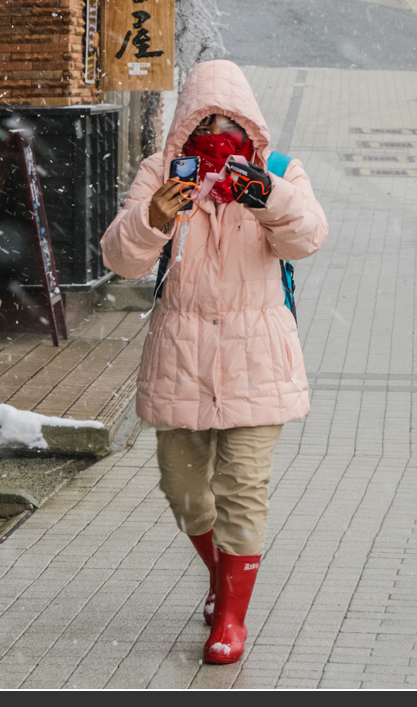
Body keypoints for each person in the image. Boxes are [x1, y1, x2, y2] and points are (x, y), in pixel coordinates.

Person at [100, 60, 328, 666]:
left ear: (250, 127)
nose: (217, 136)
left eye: (229, 124)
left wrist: (265, 197)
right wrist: (154, 217)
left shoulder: (279, 173)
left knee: (243, 489)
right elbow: (120, 260)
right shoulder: (160, 175)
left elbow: (307, 237)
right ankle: (221, 576)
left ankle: (231, 617)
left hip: (258, 360)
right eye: (205, 124)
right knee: (183, 490)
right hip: (182, 356)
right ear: (185, 129)